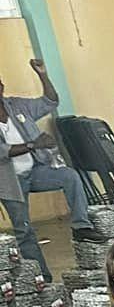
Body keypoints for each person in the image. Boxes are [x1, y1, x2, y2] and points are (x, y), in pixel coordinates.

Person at [0, 60, 94, 276]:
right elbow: (2, 151)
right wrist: (35, 144)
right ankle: (42, 278)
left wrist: (43, 74)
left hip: (36, 171)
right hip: (9, 182)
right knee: (24, 230)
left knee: (69, 176)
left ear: (1, 87)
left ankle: (81, 226)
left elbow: (50, 101)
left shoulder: (17, 105)